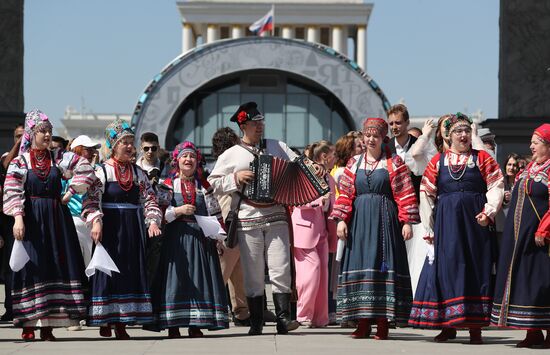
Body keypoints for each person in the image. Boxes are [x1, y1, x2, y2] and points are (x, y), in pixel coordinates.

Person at [409, 113, 504, 344]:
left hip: (475, 220)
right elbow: (426, 193)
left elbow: (496, 184)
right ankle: (448, 325)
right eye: (457, 132)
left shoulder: (482, 158)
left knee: (475, 266)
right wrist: (429, 227)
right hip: (447, 221)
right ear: (449, 136)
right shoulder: (438, 161)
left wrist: (489, 211)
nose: (462, 135)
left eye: (465, 131)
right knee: (448, 268)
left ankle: (475, 328)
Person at [208, 102, 300, 336]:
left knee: (281, 267)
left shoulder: (276, 146)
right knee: (253, 271)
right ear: (243, 125)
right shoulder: (231, 154)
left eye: (261, 122)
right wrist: (235, 178)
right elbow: (213, 183)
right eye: (254, 123)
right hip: (248, 216)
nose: (260, 127)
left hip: (277, 213)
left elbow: (299, 163)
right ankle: (256, 321)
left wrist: (313, 168)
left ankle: (283, 319)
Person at [3, 110, 95, 341]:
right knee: (31, 267)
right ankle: (28, 324)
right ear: (31, 134)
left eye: (49, 131)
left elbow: (87, 169)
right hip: (32, 218)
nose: (46, 135)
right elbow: (12, 190)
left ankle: (48, 327)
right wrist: (18, 217)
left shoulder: (59, 158)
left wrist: (71, 191)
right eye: (42, 131)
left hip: (56, 219)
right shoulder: (20, 161)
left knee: (55, 266)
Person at [331, 117, 419, 340]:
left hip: (384, 220)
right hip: (359, 221)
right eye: (367, 135)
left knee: (382, 265)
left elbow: (404, 193)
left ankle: (382, 322)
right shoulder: (354, 163)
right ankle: (362, 322)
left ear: (383, 138)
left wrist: (406, 221)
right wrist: (341, 219)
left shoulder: (394, 162)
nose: (370, 139)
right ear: (363, 136)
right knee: (360, 263)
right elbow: (345, 194)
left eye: (375, 136)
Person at [82, 118, 162, 339]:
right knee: (108, 272)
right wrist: (96, 220)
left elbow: (150, 199)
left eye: (130, 142)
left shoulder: (138, 173)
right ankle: (105, 319)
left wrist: (153, 220)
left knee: (128, 271)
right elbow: (90, 200)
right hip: (110, 228)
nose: (129, 146)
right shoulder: (101, 171)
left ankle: (122, 322)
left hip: (132, 229)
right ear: (113, 145)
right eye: (124, 142)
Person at [149, 141, 229, 338]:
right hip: (175, 240)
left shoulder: (204, 186)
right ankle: (173, 324)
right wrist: (178, 210)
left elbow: (215, 214)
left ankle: (196, 323)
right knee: (175, 280)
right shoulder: (167, 185)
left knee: (198, 279)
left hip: (200, 240)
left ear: (197, 161)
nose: (189, 159)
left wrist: (218, 238)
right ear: (177, 160)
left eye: (192, 156)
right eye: (184, 156)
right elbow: (158, 214)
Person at [491, 123, 550, 348]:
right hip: (518, 238)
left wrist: (544, 230)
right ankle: (532, 331)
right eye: (532, 143)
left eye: (536, 143)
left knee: (542, 282)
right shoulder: (527, 170)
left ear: (548, 145)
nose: (531, 146)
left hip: (541, 239)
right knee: (524, 282)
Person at [291, 140, 337, 328]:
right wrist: (319, 201)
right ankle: (303, 315)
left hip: (323, 230)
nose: (335, 159)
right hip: (304, 229)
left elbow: (331, 203)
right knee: (310, 273)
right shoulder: (303, 174)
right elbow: (296, 199)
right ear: (323, 157)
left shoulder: (329, 178)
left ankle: (320, 318)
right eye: (333, 155)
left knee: (322, 275)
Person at [211, 127, 251, 326]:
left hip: (230, 213)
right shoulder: (230, 161)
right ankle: (214, 305)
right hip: (229, 214)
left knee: (236, 265)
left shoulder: (219, 162)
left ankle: (241, 310)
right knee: (226, 263)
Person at [0, 123, 24, 322]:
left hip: (30, 218)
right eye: (18, 135)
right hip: (9, 221)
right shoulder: (9, 156)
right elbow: (7, 164)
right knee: (11, 265)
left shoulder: (37, 158)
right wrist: (19, 145)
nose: (21, 139)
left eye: (25, 135)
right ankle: (11, 307)